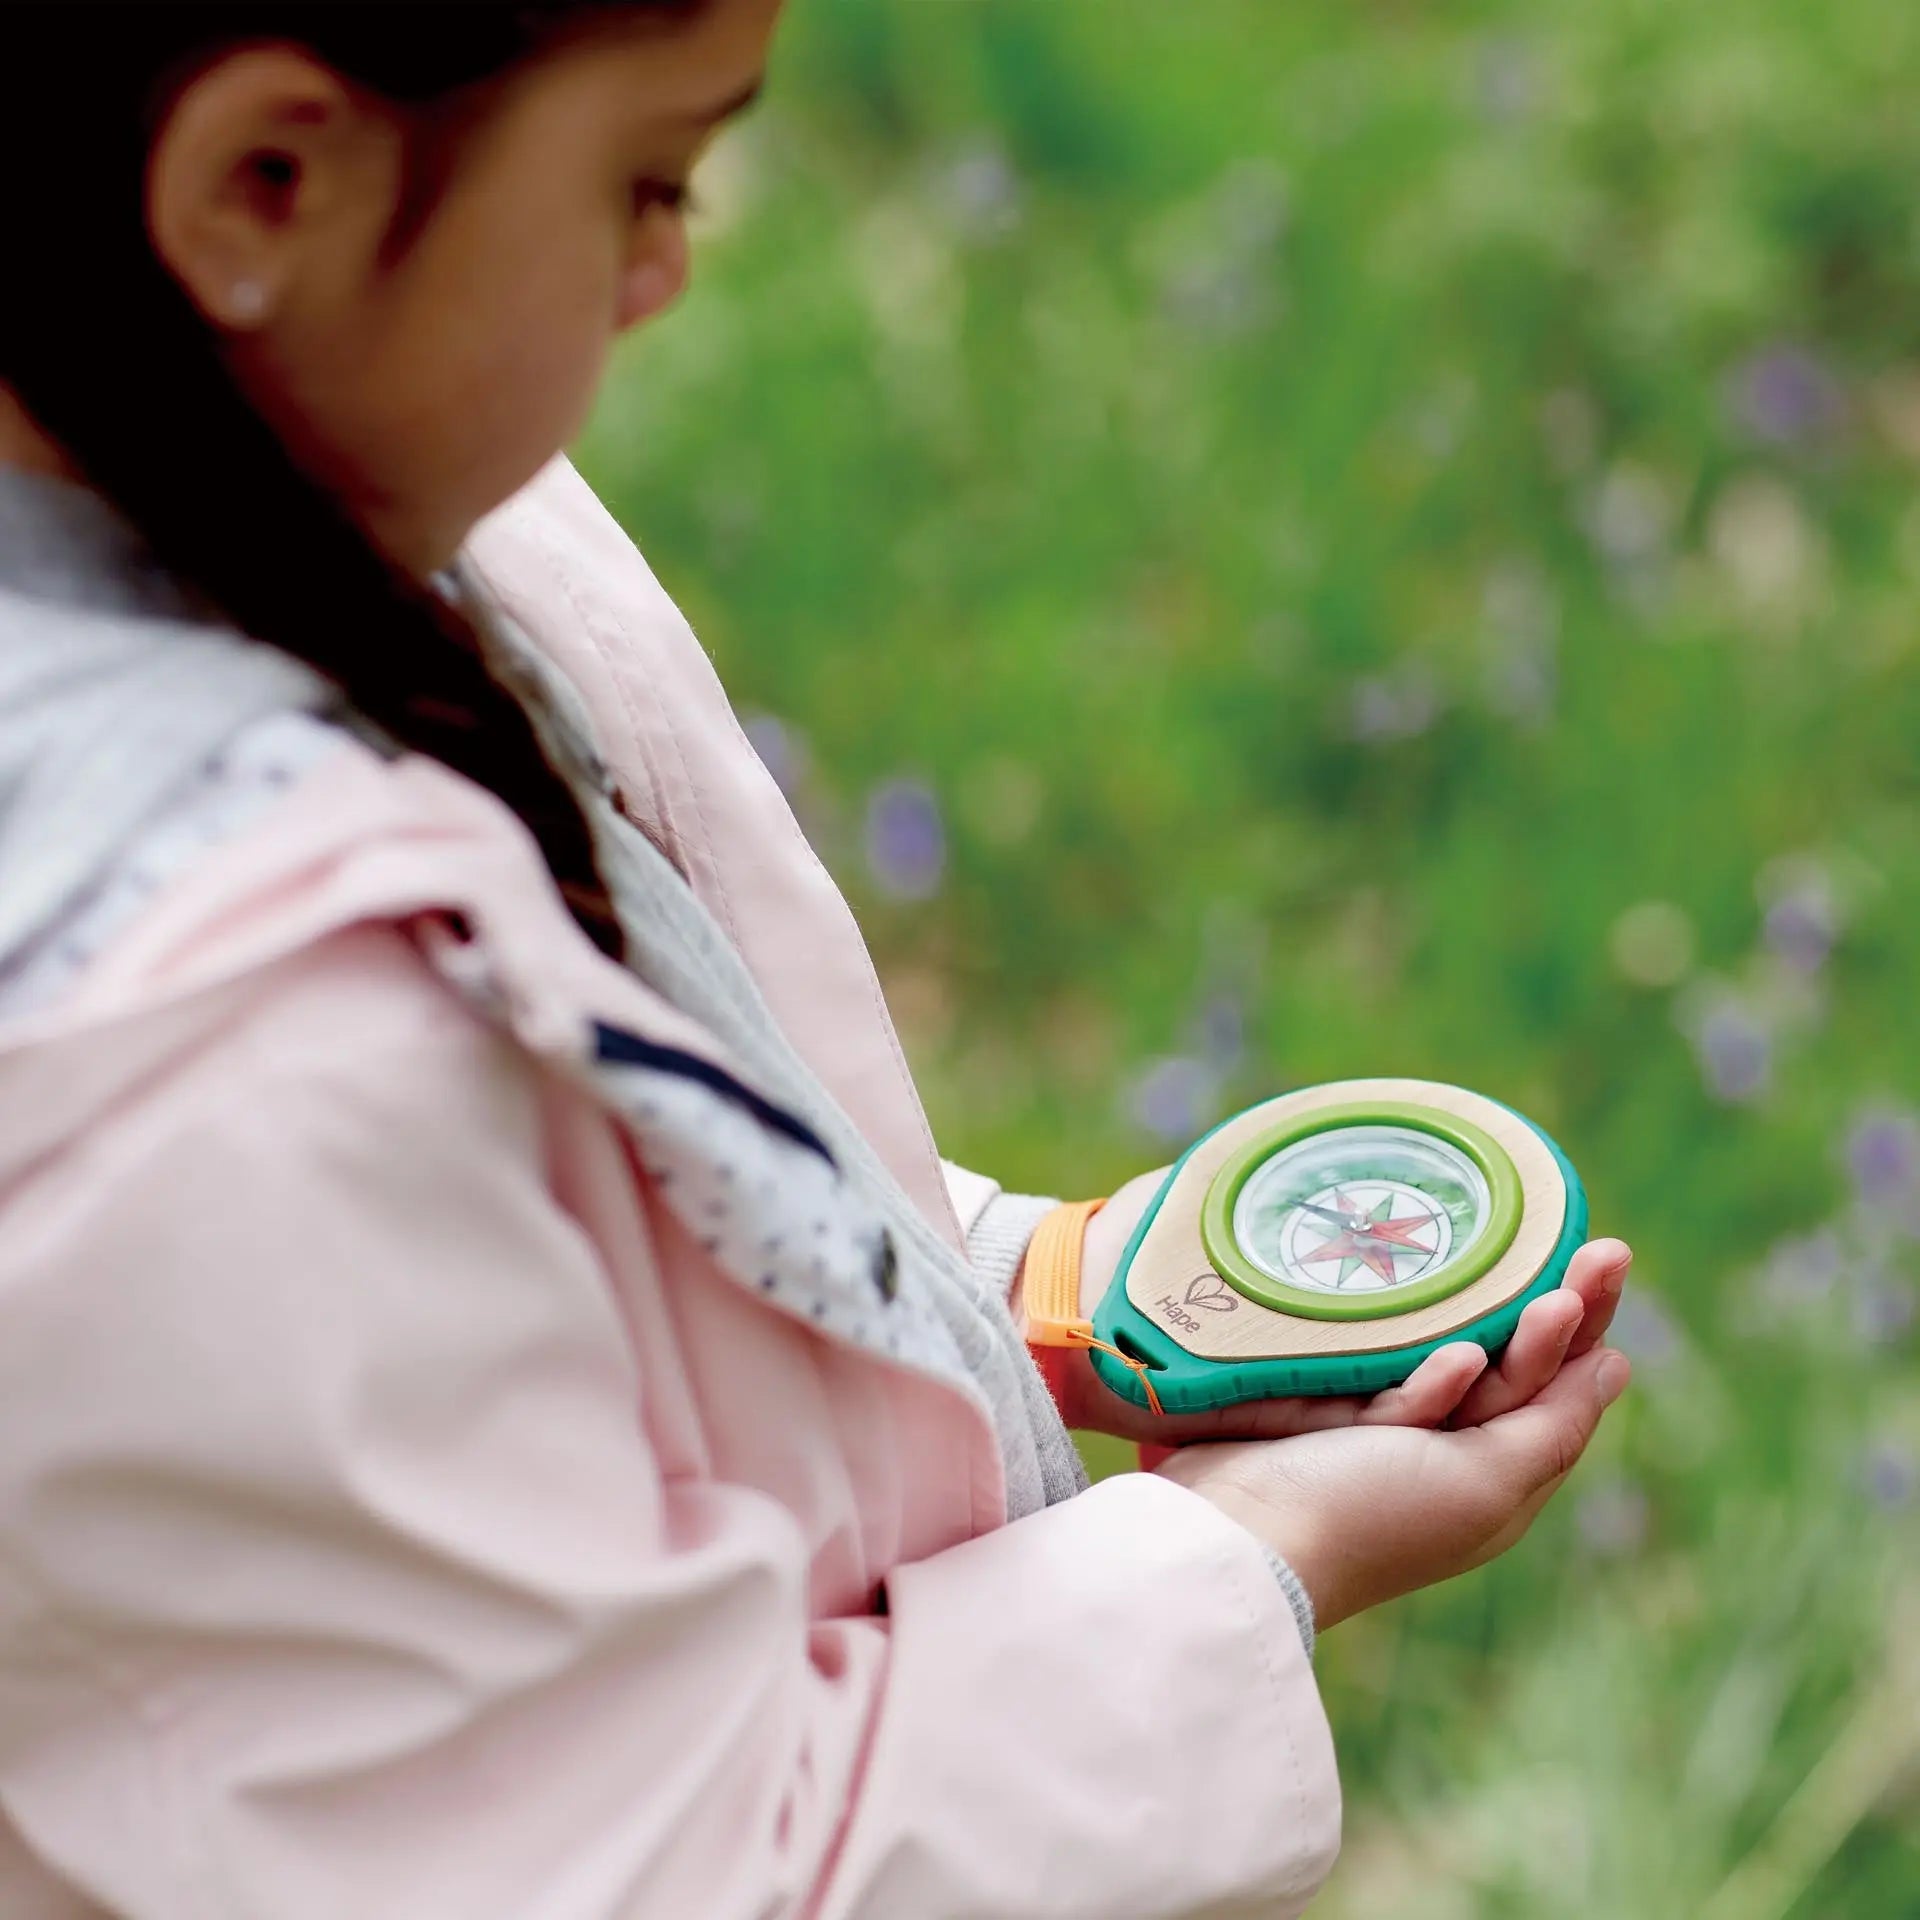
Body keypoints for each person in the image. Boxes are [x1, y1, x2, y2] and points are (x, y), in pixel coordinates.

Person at [0, 7, 1633, 1916]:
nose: (670, 265)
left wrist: (1026, 1285)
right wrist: (1247, 1556)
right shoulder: (221, 1078)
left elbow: (567, 1164)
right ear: (259, 182)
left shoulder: (261, 444)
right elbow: (657, 1870)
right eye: (646, 177)